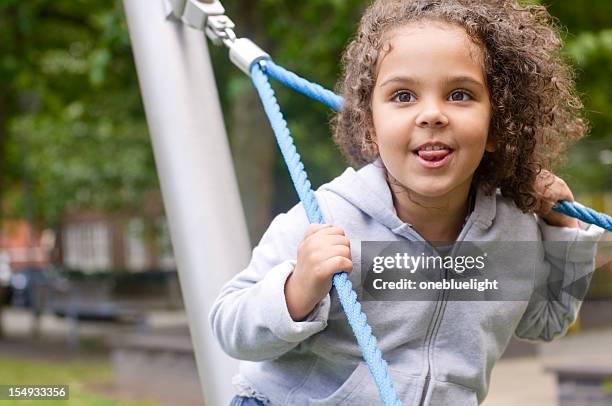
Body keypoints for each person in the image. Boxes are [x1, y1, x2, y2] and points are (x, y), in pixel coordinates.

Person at [210, 1, 606, 405]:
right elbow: (229, 326)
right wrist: (298, 290)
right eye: (403, 95)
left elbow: (548, 322)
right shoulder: (329, 217)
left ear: (498, 125)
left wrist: (563, 230)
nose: (431, 115)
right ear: (370, 125)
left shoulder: (512, 231)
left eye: (459, 94)